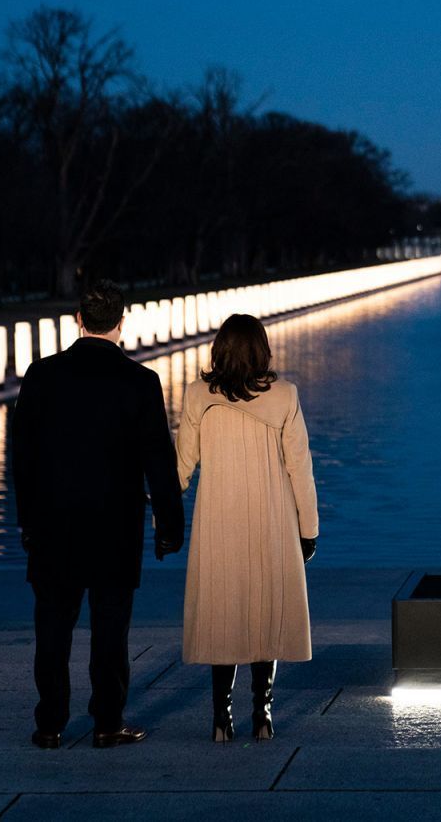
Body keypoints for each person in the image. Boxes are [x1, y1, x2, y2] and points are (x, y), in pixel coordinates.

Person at [10, 278, 185, 750]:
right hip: (114, 527)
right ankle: (108, 722)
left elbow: (22, 460)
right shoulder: (140, 382)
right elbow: (158, 462)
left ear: (78, 321)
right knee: (110, 631)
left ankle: (49, 723)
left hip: (53, 525)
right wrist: (170, 527)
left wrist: (27, 521)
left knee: (52, 628)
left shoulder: (42, 375)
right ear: (122, 323)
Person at [176, 313, 319, 742]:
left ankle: (222, 717)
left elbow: (182, 465)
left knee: (224, 614)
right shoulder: (285, 395)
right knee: (266, 614)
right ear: (262, 349)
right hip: (272, 517)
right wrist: (308, 529)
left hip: (219, 518)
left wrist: (160, 512)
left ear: (219, 349)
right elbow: (301, 470)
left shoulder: (198, 395)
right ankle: (264, 714)